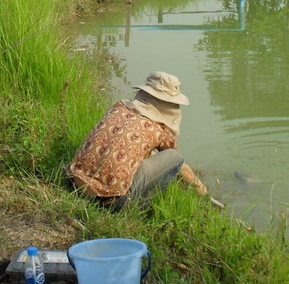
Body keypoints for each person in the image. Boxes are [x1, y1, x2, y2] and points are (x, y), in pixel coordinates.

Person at [66, 71, 208, 209]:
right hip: (108, 200)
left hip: (74, 182)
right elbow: (181, 167)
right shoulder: (159, 128)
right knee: (175, 158)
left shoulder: (119, 107)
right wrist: (201, 189)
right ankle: (141, 207)